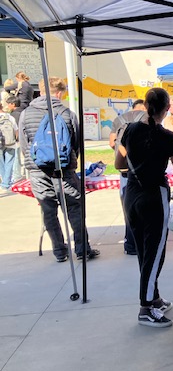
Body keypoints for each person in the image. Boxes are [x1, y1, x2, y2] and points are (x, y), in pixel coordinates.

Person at [115, 88, 173, 327]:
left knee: (144, 252)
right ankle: (146, 306)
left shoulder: (130, 129)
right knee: (155, 252)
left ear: (145, 105)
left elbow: (119, 163)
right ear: (167, 109)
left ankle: (153, 298)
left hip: (132, 193)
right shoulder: (168, 137)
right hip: (154, 195)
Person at [19, 77, 100, 262]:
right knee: (74, 208)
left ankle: (59, 251)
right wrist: (71, 161)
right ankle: (82, 249)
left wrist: (35, 162)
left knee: (48, 210)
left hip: (38, 170)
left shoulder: (26, 113)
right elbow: (76, 143)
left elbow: (24, 144)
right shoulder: (67, 113)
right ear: (59, 93)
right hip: (64, 169)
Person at [110, 99, 147, 255]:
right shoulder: (147, 118)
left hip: (126, 171)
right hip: (145, 170)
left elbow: (112, 142)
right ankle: (144, 244)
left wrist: (122, 149)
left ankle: (131, 245)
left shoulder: (119, 119)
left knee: (129, 210)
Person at [0, 102, 18, 190]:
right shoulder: (10, 117)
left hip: (0, 144)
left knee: (1, 164)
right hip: (11, 143)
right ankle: (6, 183)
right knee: (9, 163)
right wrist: (15, 140)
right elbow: (16, 130)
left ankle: (5, 182)